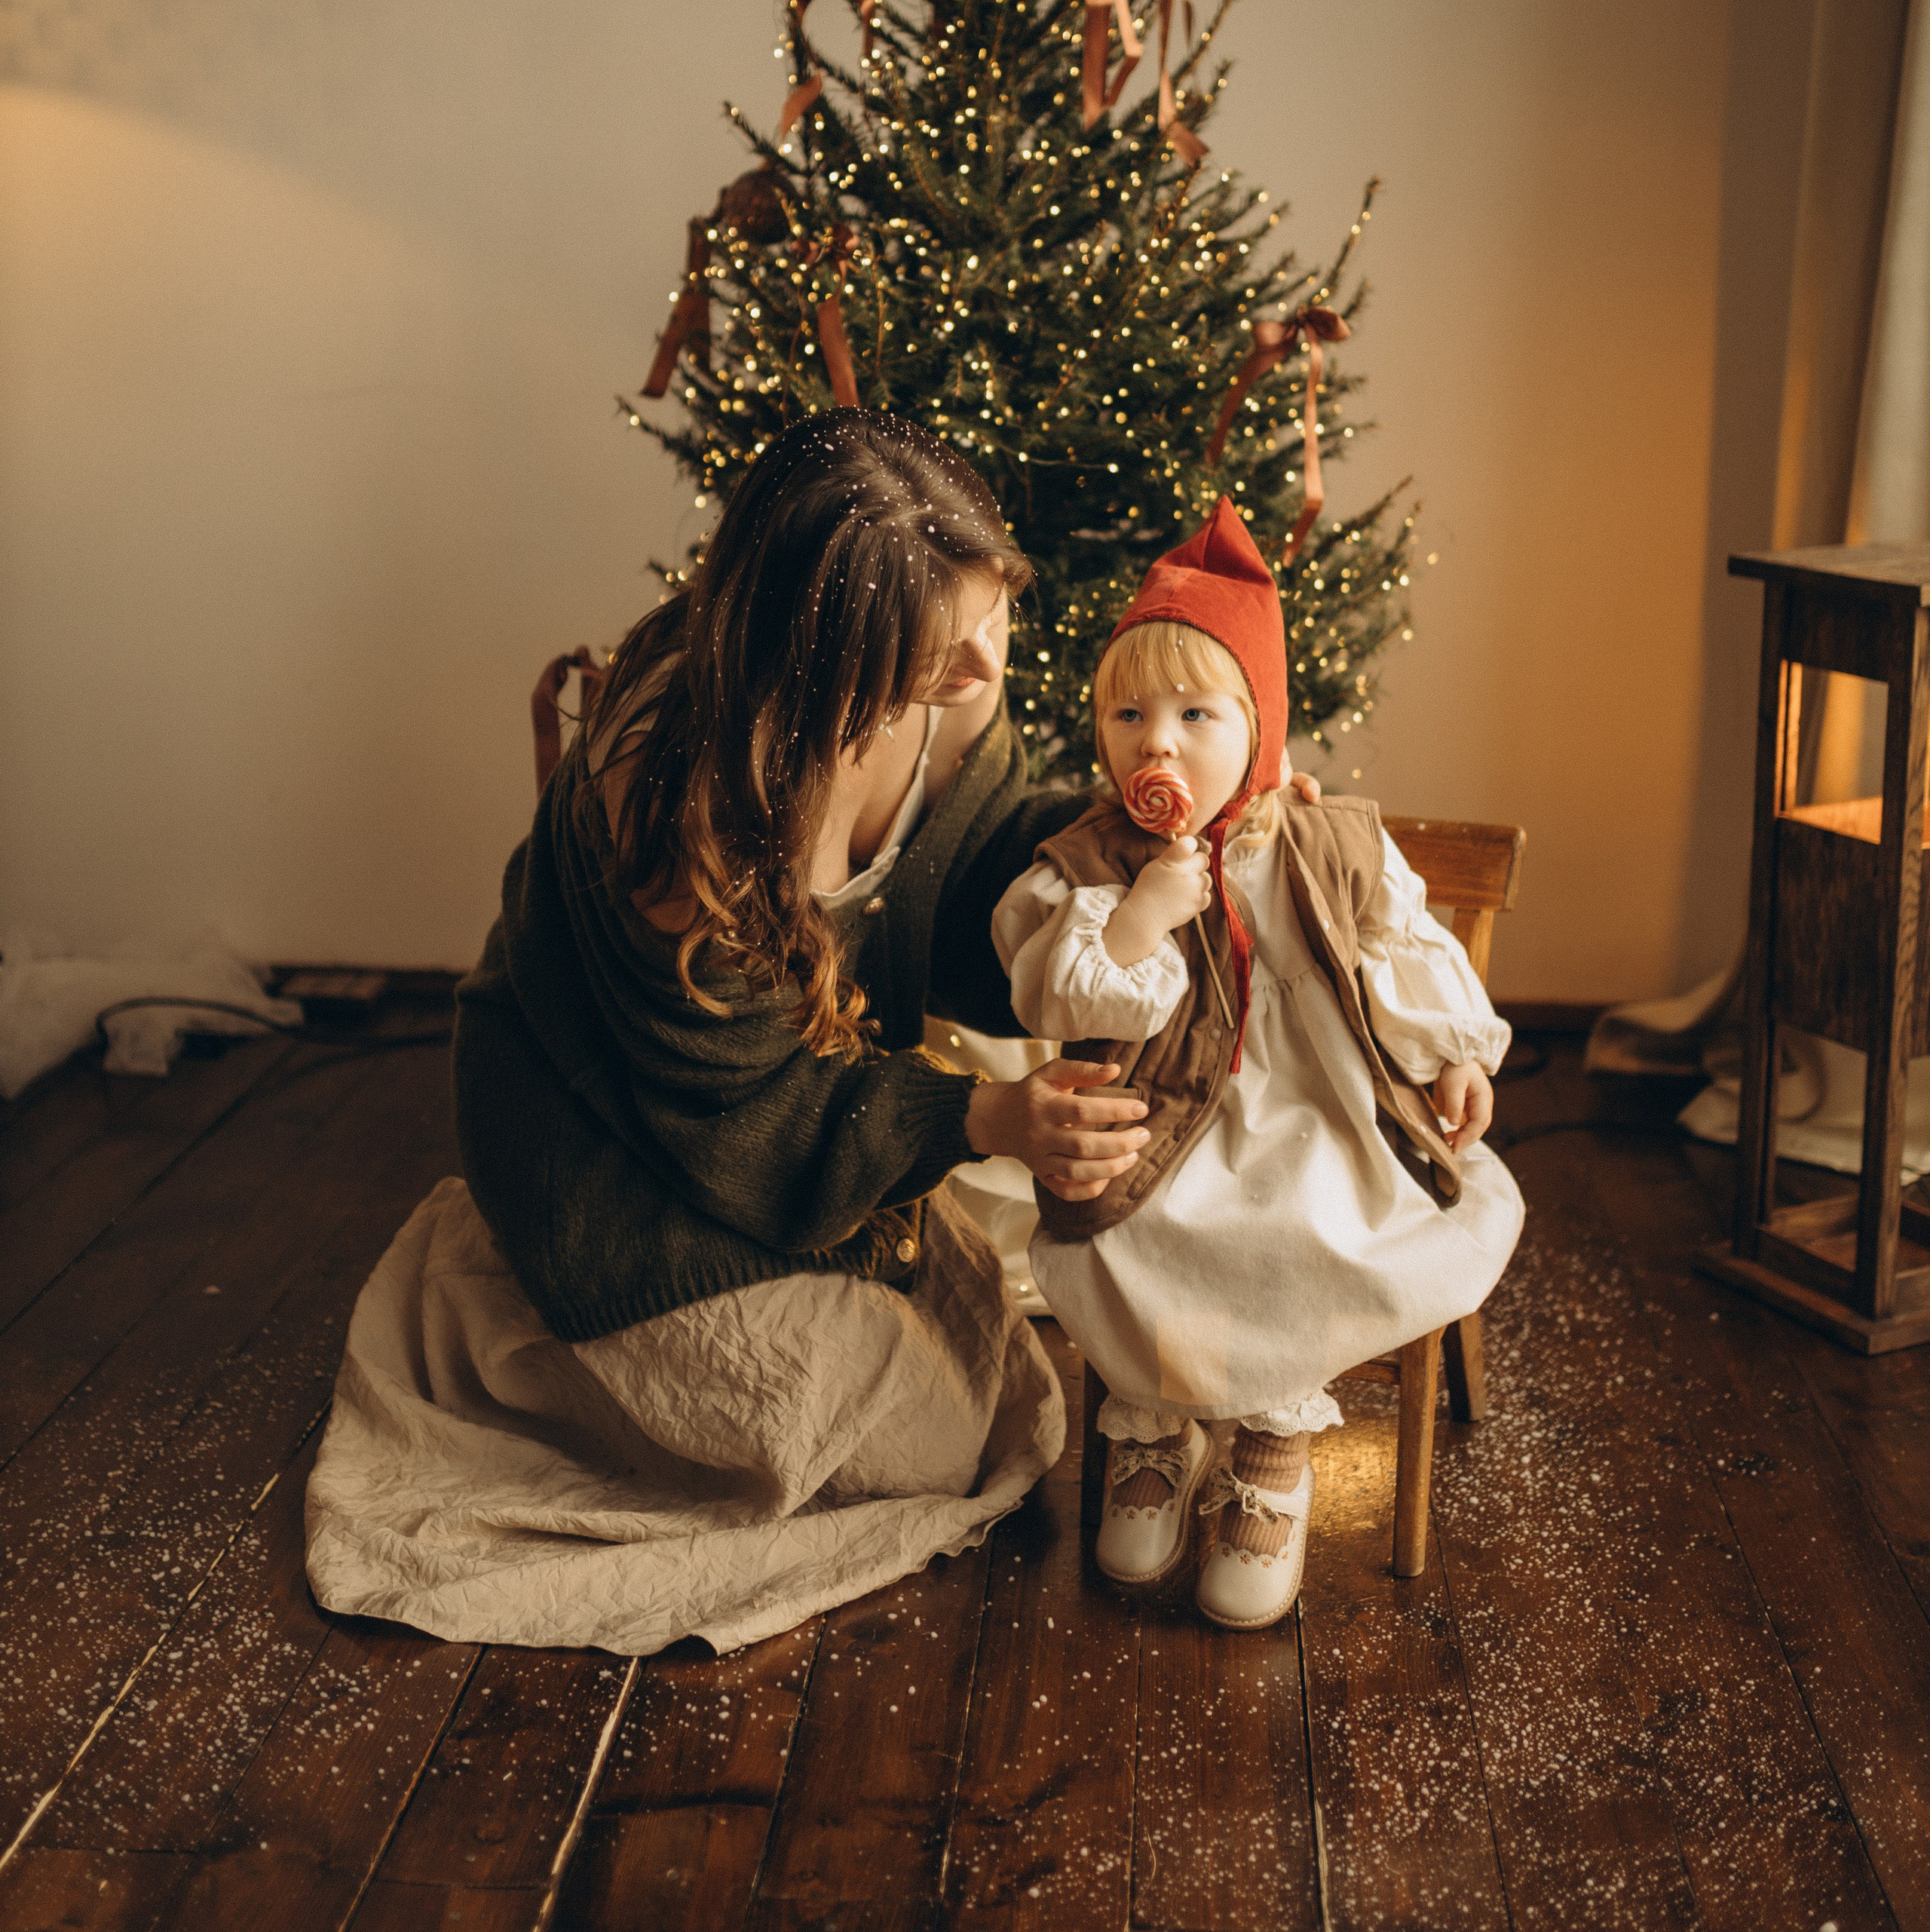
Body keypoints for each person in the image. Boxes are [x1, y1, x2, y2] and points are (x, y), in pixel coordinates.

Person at [304, 412, 1152, 1657]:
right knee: (916, 1432)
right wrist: (981, 1118)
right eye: (942, 648)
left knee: (987, 1381)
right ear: (821, 654)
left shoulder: (954, 692)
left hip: (803, 1087)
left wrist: (1125, 848)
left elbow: (975, 866)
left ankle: (687, 1353)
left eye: (992, 618)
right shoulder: (679, 815)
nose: (985, 666)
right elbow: (749, 1116)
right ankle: (532, 1344)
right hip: (624, 1140)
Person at [991, 497, 1524, 1632]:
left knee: (1304, 1220)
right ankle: (1148, 1424)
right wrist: (1140, 915)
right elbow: (1044, 982)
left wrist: (1456, 1050)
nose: (1159, 741)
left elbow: (1402, 943)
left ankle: (1275, 1442)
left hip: (1314, 1100)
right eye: (1128, 713)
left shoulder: (1327, 838)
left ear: (1263, 727)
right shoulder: (1091, 858)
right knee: (1136, 1226)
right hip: (1162, 1116)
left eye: (1197, 712)